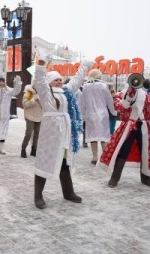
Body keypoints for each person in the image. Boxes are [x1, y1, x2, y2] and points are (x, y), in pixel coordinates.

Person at [33, 48, 93, 209]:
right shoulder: (45, 93)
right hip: (50, 133)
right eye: (55, 80)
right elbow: (39, 79)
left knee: (65, 162)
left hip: (65, 133)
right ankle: (38, 196)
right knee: (45, 162)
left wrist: (84, 66)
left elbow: (76, 81)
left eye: (60, 80)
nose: (59, 82)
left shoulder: (66, 92)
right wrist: (41, 63)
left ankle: (68, 192)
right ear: (49, 82)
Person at [97, 81, 150, 187]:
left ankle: (145, 177)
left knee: (145, 152)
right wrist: (128, 97)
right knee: (122, 151)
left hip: (143, 127)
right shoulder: (123, 95)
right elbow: (120, 107)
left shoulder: (145, 96)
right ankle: (114, 178)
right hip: (128, 127)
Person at [81, 69, 117, 164]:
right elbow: (109, 100)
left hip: (90, 114)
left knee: (93, 136)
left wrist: (83, 115)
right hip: (102, 115)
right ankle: (104, 157)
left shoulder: (85, 86)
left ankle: (94, 157)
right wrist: (114, 112)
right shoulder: (103, 86)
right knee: (103, 136)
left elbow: (83, 103)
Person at [20, 84, 42, 158]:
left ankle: (34, 149)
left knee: (37, 133)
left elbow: (46, 106)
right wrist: (33, 100)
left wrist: (40, 102)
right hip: (30, 115)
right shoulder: (28, 93)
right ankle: (23, 148)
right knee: (29, 133)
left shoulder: (43, 93)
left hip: (39, 116)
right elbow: (25, 104)